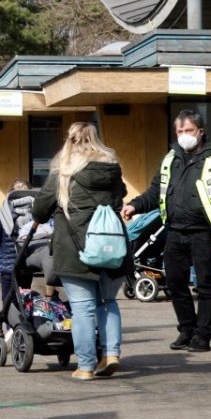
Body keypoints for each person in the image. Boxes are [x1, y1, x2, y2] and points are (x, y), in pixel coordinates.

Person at [122, 109, 211, 353]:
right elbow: (155, 192)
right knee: (175, 283)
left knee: (205, 285)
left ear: (200, 132)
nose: (183, 135)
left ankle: (203, 336)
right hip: (174, 231)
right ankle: (186, 330)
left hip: (204, 231)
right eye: (179, 131)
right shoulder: (171, 157)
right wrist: (134, 205)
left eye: (188, 130)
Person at [32, 122, 130, 381]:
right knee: (108, 302)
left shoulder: (63, 172)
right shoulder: (111, 168)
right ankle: (111, 354)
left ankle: (85, 366)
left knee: (83, 307)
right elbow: (120, 198)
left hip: (75, 247)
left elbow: (40, 210)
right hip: (111, 245)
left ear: (70, 140)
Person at [0, 179, 46, 304]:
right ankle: (23, 322)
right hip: (27, 263)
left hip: (7, 267)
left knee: (8, 300)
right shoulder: (36, 214)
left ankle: (11, 323)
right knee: (24, 298)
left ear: (10, 194)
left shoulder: (2, 215)